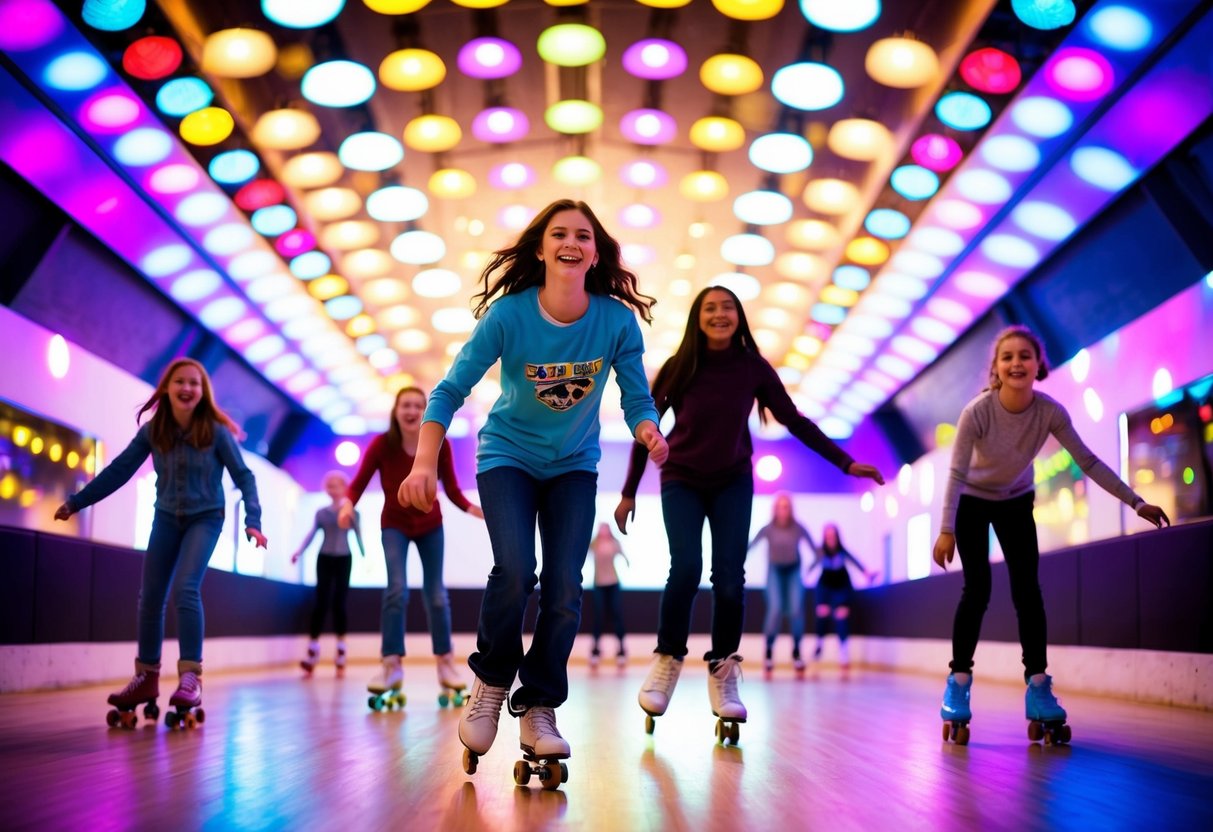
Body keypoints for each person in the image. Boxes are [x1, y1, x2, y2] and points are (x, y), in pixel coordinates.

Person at [398, 199, 668, 777]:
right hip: (507, 457)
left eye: (583, 236)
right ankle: (492, 683)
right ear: (542, 248)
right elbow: (449, 390)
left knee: (566, 586)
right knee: (517, 570)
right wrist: (424, 462)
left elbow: (636, 396)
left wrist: (647, 427)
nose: (571, 242)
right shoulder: (510, 316)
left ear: (596, 254)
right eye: (559, 233)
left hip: (574, 464)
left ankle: (539, 704)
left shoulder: (616, 322)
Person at [615, 285, 885, 737]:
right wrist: (628, 492)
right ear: (697, 318)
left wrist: (845, 461)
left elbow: (794, 419)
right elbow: (646, 423)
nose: (719, 315)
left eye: (727, 308)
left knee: (729, 577)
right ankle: (666, 660)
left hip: (732, 481)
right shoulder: (680, 367)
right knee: (685, 568)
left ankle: (724, 671)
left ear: (738, 316)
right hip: (681, 477)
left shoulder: (753, 368)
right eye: (709, 309)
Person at [933, 325, 1169, 742]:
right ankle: (959, 681)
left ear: (1038, 364)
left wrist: (1136, 502)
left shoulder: (1049, 412)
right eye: (1007, 357)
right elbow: (955, 473)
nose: (1016, 363)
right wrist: (946, 529)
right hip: (972, 500)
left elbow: (1089, 461)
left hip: (1016, 500)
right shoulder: (977, 412)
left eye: (1025, 355)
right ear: (996, 368)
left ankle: (1038, 686)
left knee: (1028, 589)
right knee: (978, 589)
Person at [54, 358, 267, 727]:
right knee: (150, 596)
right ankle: (147, 677)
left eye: (194, 384)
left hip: (206, 517)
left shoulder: (215, 431)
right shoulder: (154, 431)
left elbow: (245, 477)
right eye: (180, 382)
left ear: (203, 393)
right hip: (166, 517)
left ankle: (190, 677)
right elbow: (119, 470)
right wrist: (77, 502)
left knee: (185, 589)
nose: (187, 388)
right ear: (167, 387)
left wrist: (252, 522)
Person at [340, 386, 483, 707]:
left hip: (431, 525)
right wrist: (348, 506)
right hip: (394, 525)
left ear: (426, 411)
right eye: (406, 405)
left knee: (436, 594)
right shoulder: (382, 445)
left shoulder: (437, 444)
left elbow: (453, 488)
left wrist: (474, 509)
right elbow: (358, 482)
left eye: (419, 406)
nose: (412, 411)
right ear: (396, 410)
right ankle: (390, 666)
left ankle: (445, 663)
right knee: (396, 590)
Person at [291, 470, 365, 676]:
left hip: (344, 558)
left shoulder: (351, 511)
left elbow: (358, 532)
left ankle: (341, 650)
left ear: (345, 487)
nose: (332, 489)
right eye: (329, 485)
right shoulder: (321, 512)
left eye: (337, 485)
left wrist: (363, 552)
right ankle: (313, 650)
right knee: (321, 602)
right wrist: (299, 551)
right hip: (324, 558)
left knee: (339, 603)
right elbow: (312, 533)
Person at [746, 493, 818, 675]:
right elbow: (751, 546)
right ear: (775, 509)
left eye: (786, 506)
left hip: (794, 571)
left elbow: (816, 550)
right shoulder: (768, 529)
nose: (783, 510)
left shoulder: (798, 528)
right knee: (776, 609)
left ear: (790, 509)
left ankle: (796, 653)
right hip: (775, 571)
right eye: (780, 506)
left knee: (795, 610)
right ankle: (769, 652)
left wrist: (811, 568)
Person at [806, 522, 877, 678]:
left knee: (841, 616)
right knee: (822, 615)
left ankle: (844, 654)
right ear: (824, 538)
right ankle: (818, 646)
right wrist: (803, 576)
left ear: (837, 537)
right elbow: (810, 568)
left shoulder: (843, 552)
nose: (830, 538)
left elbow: (856, 562)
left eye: (833, 535)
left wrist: (868, 574)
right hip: (824, 588)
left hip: (842, 588)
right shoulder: (820, 553)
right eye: (827, 536)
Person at [587, 521, 630, 668]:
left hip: (613, 583)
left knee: (616, 614)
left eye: (606, 529)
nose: (603, 531)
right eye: (601, 529)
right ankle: (595, 651)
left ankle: (621, 650)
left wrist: (626, 561)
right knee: (598, 616)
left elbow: (624, 556)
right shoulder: (594, 544)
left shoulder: (614, 543)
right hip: (598, 584)